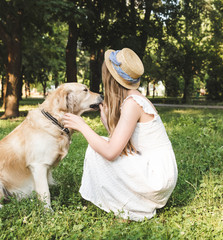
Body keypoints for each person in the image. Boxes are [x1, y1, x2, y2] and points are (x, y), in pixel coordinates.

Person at [62, 48, 178, 221]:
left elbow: (110, 152)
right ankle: (130, 202)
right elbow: (126, 145)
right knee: (103, 142)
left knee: (97, 148)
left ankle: (131, 207)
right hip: (158, 171)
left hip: (156, 177)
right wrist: (107, 124)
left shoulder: (132, 103)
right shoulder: (133, 99)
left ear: (109, 77)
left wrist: (82, 126)